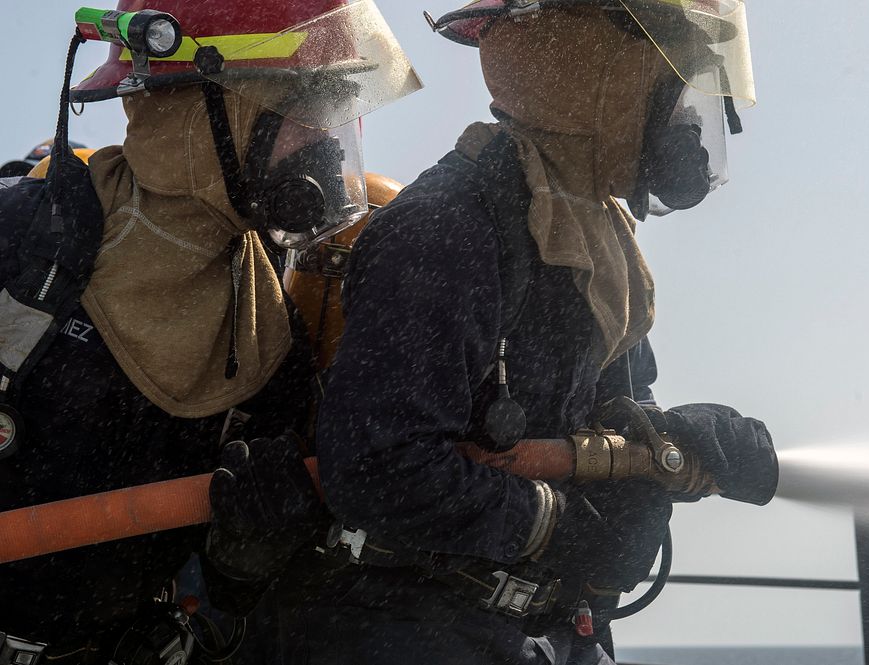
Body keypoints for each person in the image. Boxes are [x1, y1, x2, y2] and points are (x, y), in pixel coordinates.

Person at [207, 1, 778, 664]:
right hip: (402, 631)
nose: (689, 121)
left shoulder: (595, 242)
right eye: (675, 74)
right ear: (604, 69)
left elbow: (617, 406)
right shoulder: (447, 227)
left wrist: (666, 444)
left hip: (540, 630)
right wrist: (557, 526)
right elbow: (380, 467)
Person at [0, 0, 419, 662]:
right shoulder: (20, 245)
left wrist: (246, 562)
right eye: (305, 103)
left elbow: (225, 598)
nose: (329, 141)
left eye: (337, 110)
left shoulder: (268, 337)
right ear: (195, 109)